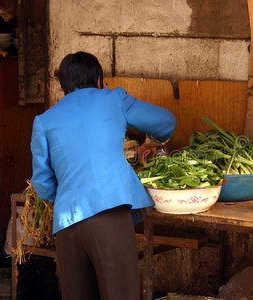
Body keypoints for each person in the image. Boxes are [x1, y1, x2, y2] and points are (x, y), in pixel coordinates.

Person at [30, 51, 176, 300]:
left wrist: (71, 194)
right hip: (109, 216)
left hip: (67, 225)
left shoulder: (44, 121)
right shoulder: (113, 99)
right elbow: (165, 121)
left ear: (63, 87)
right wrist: (150, 142)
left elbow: (42, 183)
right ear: (99, 81)